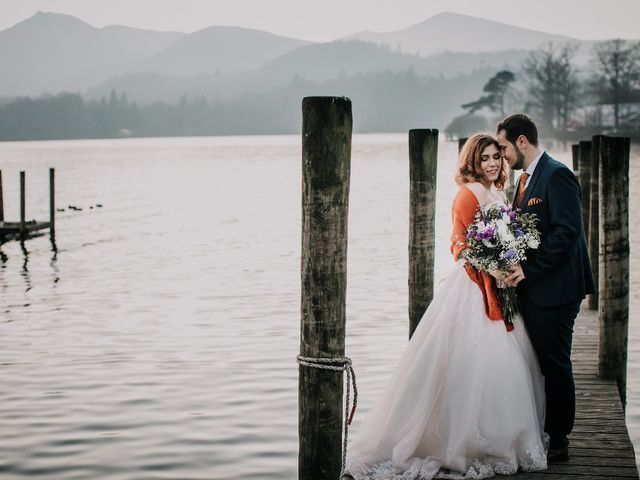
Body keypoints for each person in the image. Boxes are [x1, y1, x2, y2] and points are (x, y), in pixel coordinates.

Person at [344, 133, 547, 480]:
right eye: (484, 158)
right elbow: (458, 244)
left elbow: (505, 235)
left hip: (500, 287)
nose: (492, 163)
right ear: (472, 162)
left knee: (505, 359)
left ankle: (501, 433)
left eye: (496, 157)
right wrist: (490, 265)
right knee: (467, 359)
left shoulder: (500, 192)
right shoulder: (468, 194)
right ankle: (454, 438)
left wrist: (510, 256)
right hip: (472, 287)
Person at [496, 114, 595, 462]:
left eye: (505, 147)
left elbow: (568, 232)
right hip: (536, 288)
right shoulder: (524, 180)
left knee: (554, 363)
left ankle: (559, 439)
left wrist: (529, 269)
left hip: (557, 290)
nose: (503, 155)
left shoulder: (558, 174)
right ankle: (544, 428)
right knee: (539, 362)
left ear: (522, 141)